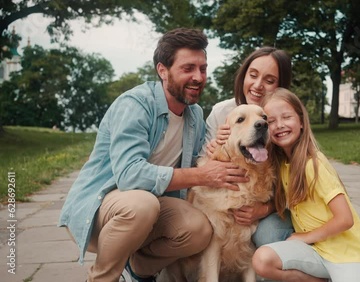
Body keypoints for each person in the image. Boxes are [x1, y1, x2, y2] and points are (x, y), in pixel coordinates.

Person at [58, 28, 248, 282]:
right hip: (102, 209)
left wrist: (216, 151)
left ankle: (139, 269)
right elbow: (129, 175)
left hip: (152, 211)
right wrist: (201, 174)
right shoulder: (135, 105)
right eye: (188, 68)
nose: (198, 77)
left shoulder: (194, 116)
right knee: (142, 204)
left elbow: (197, 166)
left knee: (200, 229)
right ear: (162, 70)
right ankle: (102, 278)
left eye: (202, 68)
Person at [252, 87, 360, 281]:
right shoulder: (283, 164)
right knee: (262, 261)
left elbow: (345, 219)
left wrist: (304, 237)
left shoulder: (313, 164)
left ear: (301, 121)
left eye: (286, 117)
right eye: (271, 121)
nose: (279, 125)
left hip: (346, 255)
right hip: (315, 252)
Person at [203, 46, 295, 247]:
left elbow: (297, 187)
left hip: (274, 205)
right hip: (231, 202)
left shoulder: (285, 119)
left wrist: (264, 209)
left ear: (280, 86)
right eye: (253, 75)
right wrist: (215, 152)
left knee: (268, 234)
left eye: (269, 81)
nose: (258, 85)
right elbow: (205, 176)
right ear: (243, 76)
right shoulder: (221, 113)